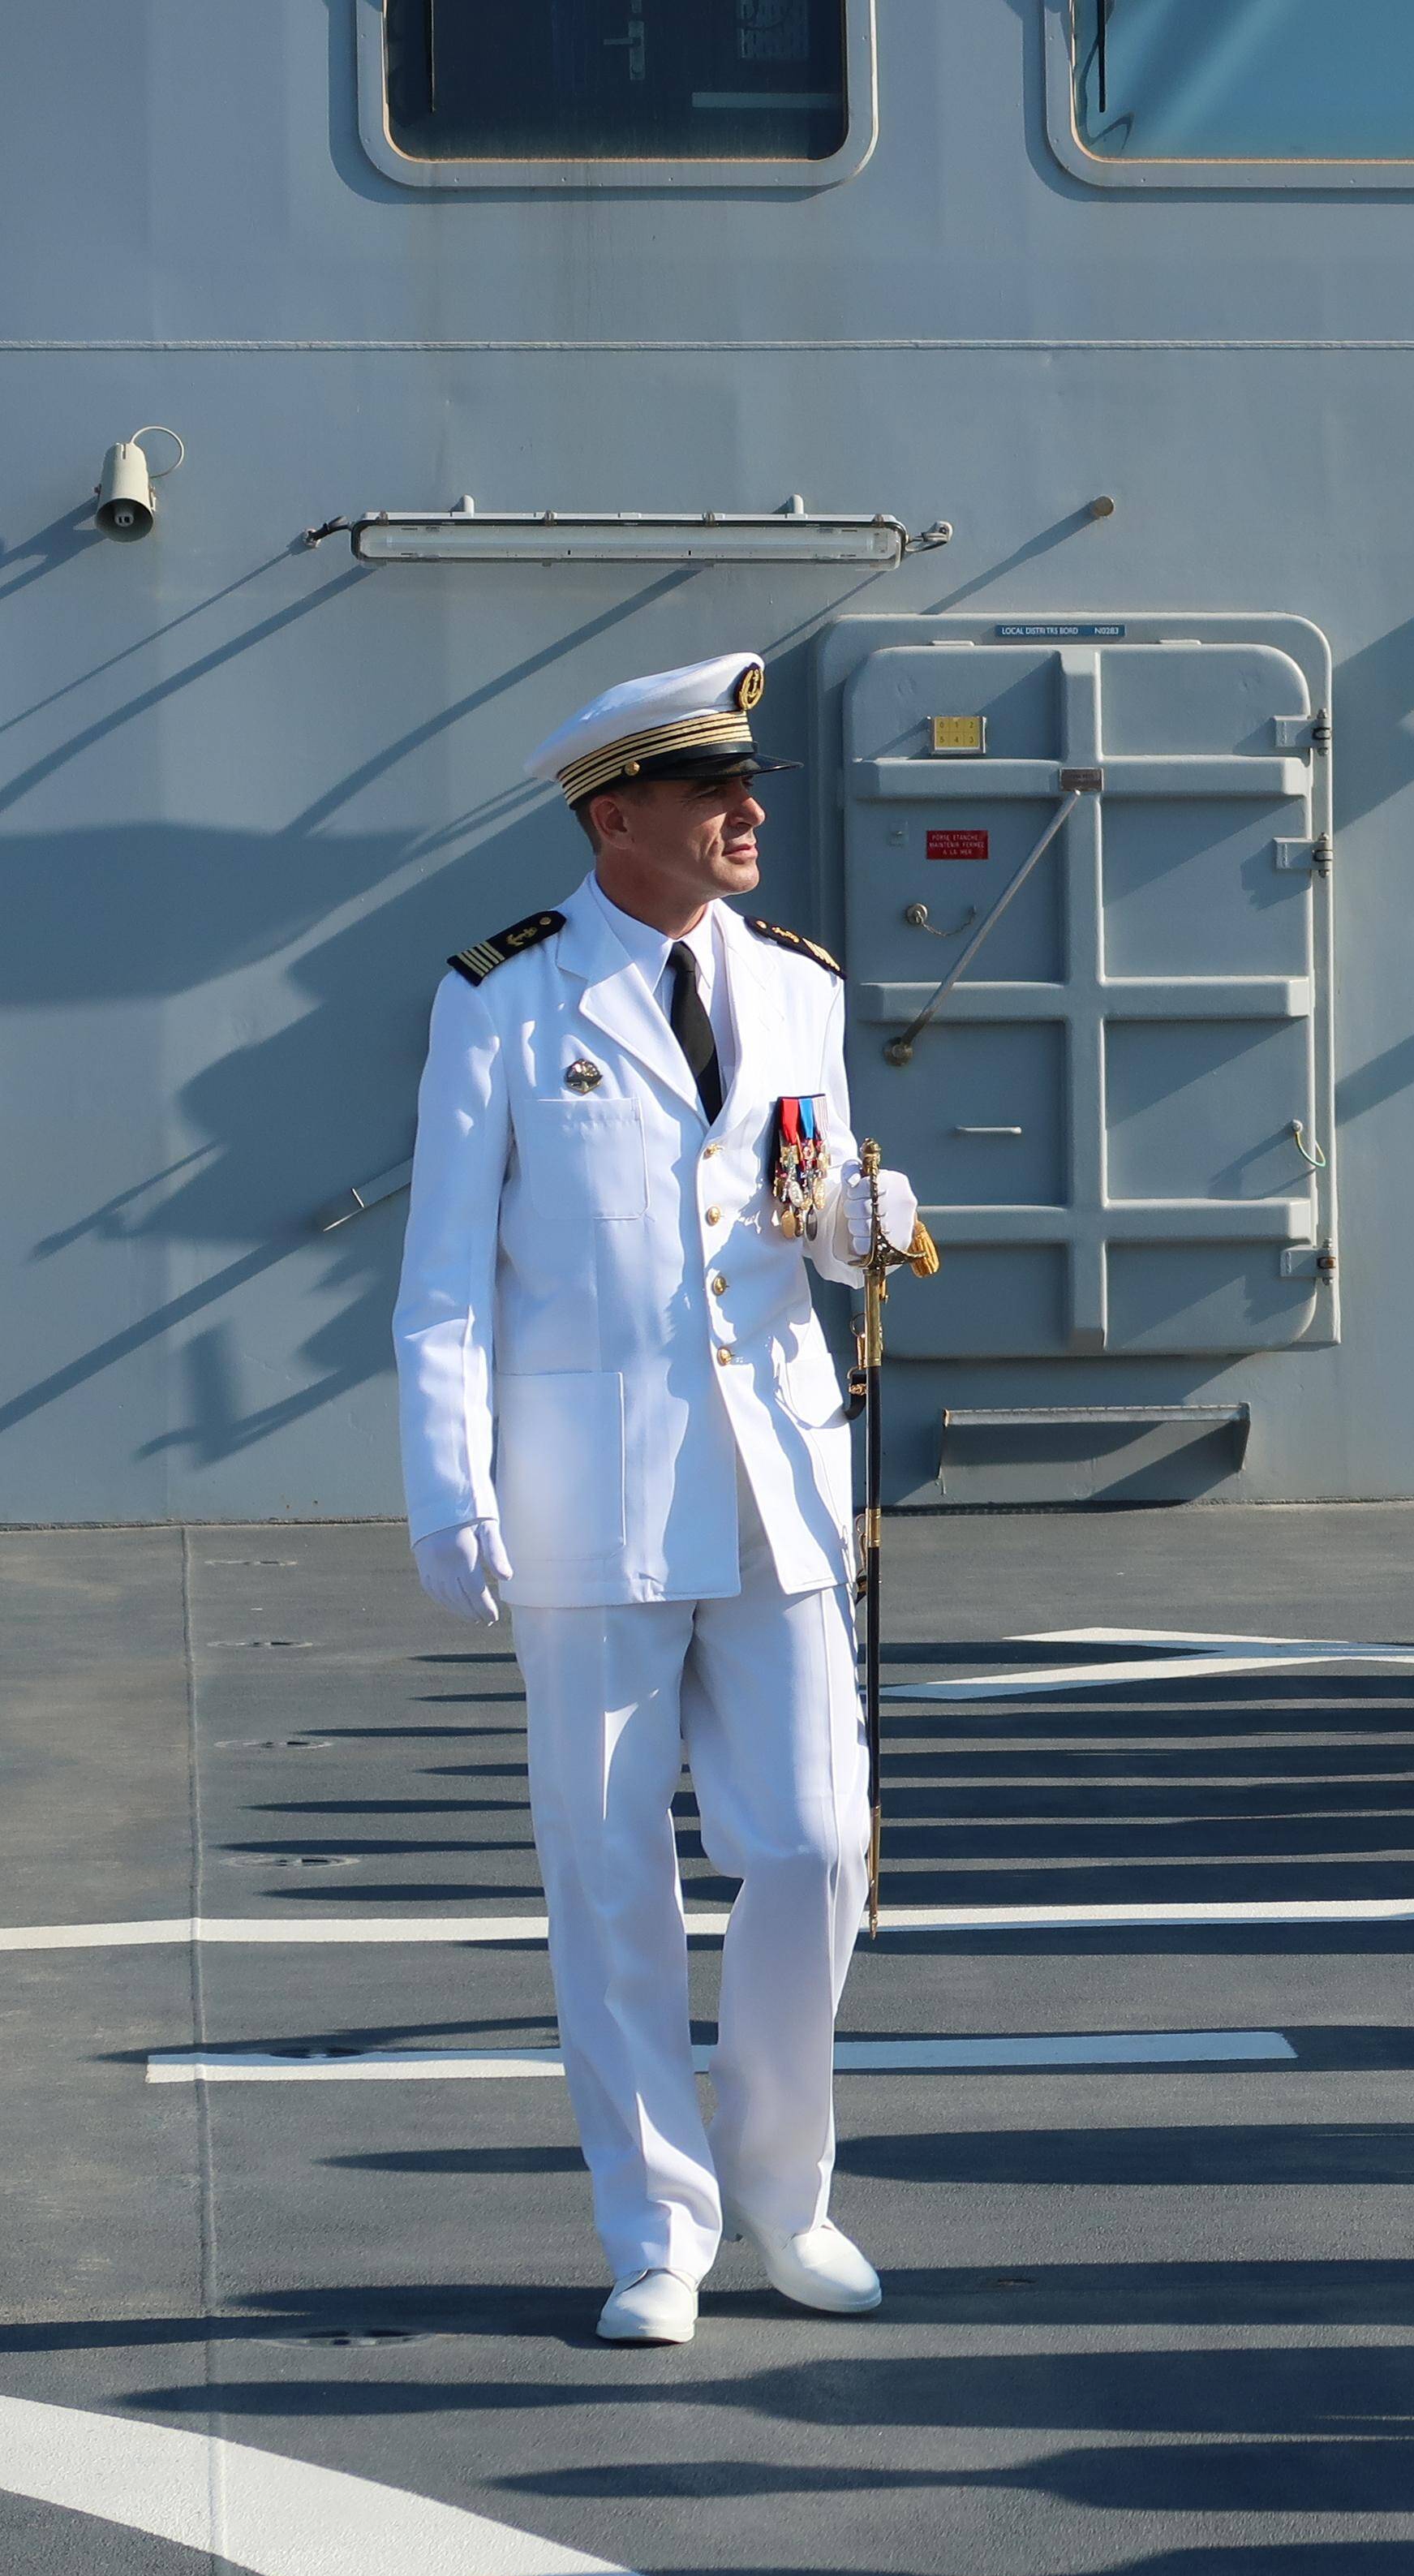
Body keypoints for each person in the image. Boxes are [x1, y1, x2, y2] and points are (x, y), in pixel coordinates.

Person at [394, 652, 920, 2347]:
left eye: (744, 790)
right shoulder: (505, 998)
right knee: (610, 1875)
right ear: (616, 816)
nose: (749, 814)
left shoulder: (798, 985)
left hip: (771, 1478)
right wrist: (449, 1481)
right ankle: (658, 2229)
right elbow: (444, 1280)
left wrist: (860, 1217)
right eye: (713, 796)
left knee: (820, 1841)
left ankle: (785, 2188)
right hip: (585, 1498)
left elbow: (808, 1207)